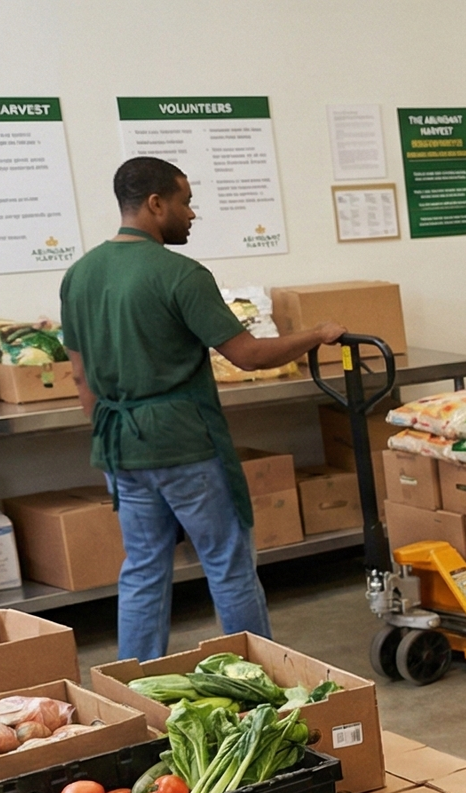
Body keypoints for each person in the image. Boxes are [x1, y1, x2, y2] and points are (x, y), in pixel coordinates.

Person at [62, 158, 346, 661]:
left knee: (144, 571)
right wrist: (316, 335)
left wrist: (115, 435)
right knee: (228, 565)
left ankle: (135, 685)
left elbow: (81, 377)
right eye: (185, 201)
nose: (192, 214)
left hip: (119, 445)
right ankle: (252, 680)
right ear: (155, 204)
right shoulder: (180, 274)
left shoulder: (79, 275)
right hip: (185, 444)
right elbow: (248, 355)